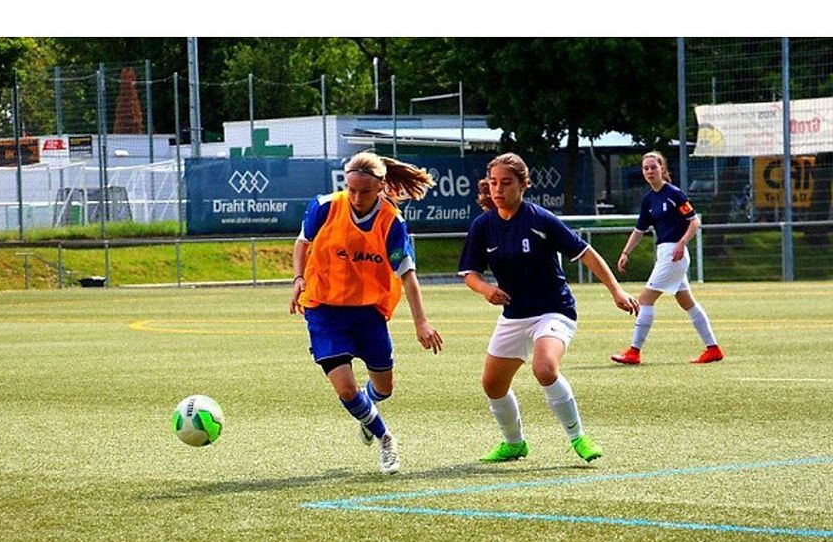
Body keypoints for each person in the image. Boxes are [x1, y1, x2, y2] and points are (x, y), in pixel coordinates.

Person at [458, 153, 639, 464]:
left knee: (544, 368)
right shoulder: (483, 226)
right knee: (492, 384)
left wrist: (616, 291)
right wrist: (487, 290)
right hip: (514, 315)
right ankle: (514, 443)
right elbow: (470, 275)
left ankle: (578, 437)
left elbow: (586, 253)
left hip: (553, 310)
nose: (498, 189)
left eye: (506, 183)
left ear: (524, 185)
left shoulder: (540, 219)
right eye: (493, 183)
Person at [289, 151, 443, 475]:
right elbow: (303, 243)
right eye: (352, 189)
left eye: (365, 191)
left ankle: (367, 412)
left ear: (381, 187)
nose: (357, 198)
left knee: (384, 388)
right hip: (323, 309)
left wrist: (421, 322)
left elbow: (408, 276)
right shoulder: (325, 206)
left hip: (369, 312)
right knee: (346, 388)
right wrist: (299, 277)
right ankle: (385, 437)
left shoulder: (392, 222)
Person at [610, 150, 724, 365]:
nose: (650, 171)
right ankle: (713, 348)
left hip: (674, 254)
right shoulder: (649, 200)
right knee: (687, 302)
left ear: (662, 168)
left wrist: (682, 243)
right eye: (646, 168)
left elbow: (694, 221)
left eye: (654, 167)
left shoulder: (674, 193)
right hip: (666, 253)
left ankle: (634, 352)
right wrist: (625, 252)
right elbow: (639, 230)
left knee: (644, 301)